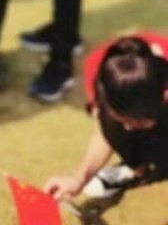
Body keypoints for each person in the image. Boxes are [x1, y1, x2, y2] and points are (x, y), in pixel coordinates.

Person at [45, 37, 168, 203]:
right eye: (124, 120)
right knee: (111, 121)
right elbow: (105, 130)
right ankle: (137, 166)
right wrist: (79, 179)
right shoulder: (103, 71)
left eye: (139, 121)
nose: (128, 127)